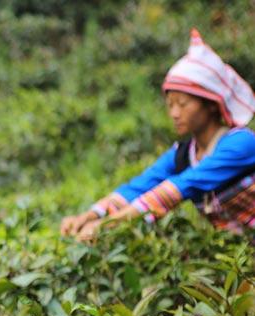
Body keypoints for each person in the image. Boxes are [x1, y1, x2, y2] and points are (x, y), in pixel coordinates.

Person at [61, 30, 255, 241]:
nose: (174, 113)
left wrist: (107, 225)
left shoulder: (241, 143)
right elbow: (141, 186)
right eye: (170, 105)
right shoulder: (183, 155)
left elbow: (182, 186)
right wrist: (89, 216)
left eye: (182, 104)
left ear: (210, 104)